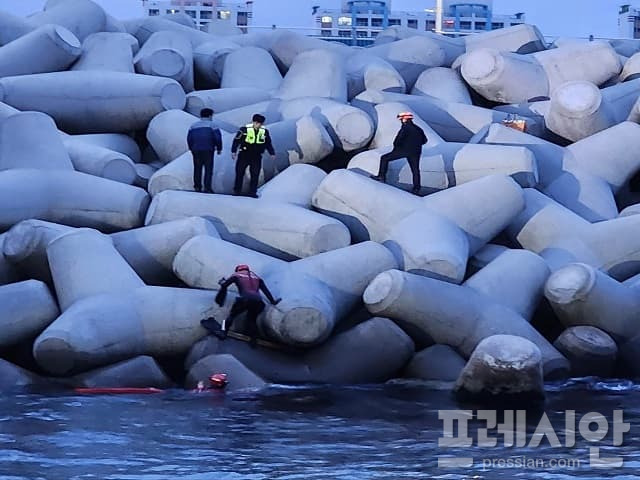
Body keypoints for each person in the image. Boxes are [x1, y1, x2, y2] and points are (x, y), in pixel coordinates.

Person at [213, 264, 281, 347]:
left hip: (244, 299)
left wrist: (221, 283)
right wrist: (273, 301)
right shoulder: (257, 277)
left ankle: (223, 332)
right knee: (252, 319)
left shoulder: (236, 275)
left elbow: (225, 285)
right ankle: (253, 340)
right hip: (258, 302)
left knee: (232, 315)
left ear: (238, 270)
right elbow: (266, 291)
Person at [370, 112, 427, 195]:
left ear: (405, 119)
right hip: (416, 152)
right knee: (415, 170)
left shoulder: (405, 128)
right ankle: (416, 188)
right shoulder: (418, 128)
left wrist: (397, 148)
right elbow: (425, 140)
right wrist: (416, 145)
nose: (401, 121)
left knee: (384, 158)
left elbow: (398, 140)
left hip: (403, 151)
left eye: (401, 119)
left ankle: (381, 176)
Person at [231, 114, 275, 198]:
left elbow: (268, 143)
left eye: (261, 123)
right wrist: (233, 151)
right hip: (244, 154)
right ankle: (237, 191)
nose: (259, 125)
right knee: (239, 173)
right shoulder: (244, 130)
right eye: (258, 123)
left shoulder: (264, 131)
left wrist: (272, 153)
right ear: (254, 122)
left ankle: (252, 192)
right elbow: (236, 141)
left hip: (256, 155)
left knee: (255, 174)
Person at [187, 108, 222, 193]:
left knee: (197, 168)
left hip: (196, 150)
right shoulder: (213, 125)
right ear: (210, 115)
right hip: (208, 149)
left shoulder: (193, 126)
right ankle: (207, 188)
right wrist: (219, 148)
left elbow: (189, 138)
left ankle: (197, 187)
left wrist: (191, 148)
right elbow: (217, 138)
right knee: (208, 169)